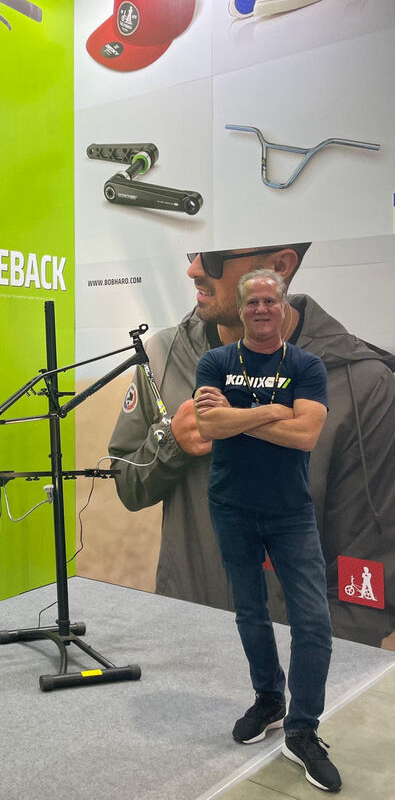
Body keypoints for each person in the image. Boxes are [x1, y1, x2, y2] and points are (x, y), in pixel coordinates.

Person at [108, 243, 395, 647]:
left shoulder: (362, 383)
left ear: (280, 265)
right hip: (184, 641)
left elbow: (366, 568)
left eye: (214, 257)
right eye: (192, 252)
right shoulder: (162, 354)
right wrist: (171, 442)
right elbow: (126, 483)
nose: (193, 270)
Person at [193, 269, 340, 792]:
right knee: (251, 612)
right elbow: (206, 426)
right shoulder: (215, 361)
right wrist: (274, 409)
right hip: (231, 506)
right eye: (251, 302)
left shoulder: (307, 364)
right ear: (240, 308)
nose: (260, 310)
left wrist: (242, 414)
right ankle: (270, 701)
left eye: (268, 301)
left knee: (313, 621)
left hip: (289, 511)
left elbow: (305, 436)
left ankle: (302, 730)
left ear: (283, 306)